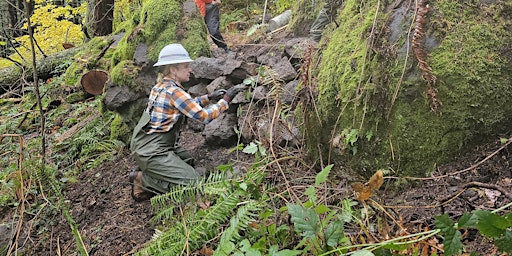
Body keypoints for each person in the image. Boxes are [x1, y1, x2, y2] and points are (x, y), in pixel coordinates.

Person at [129, 43, 243, 201]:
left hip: (146, 145)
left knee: (188, 161)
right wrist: (225, 101)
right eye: (185, 66)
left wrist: (209, 98)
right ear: (173, 70)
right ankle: (143, 179)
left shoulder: (161, 86)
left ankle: (154, 171)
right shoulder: (174, 92)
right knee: (194, 184)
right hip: (152, 152)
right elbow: (204, 117)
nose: (190, 69)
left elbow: (185, 104)